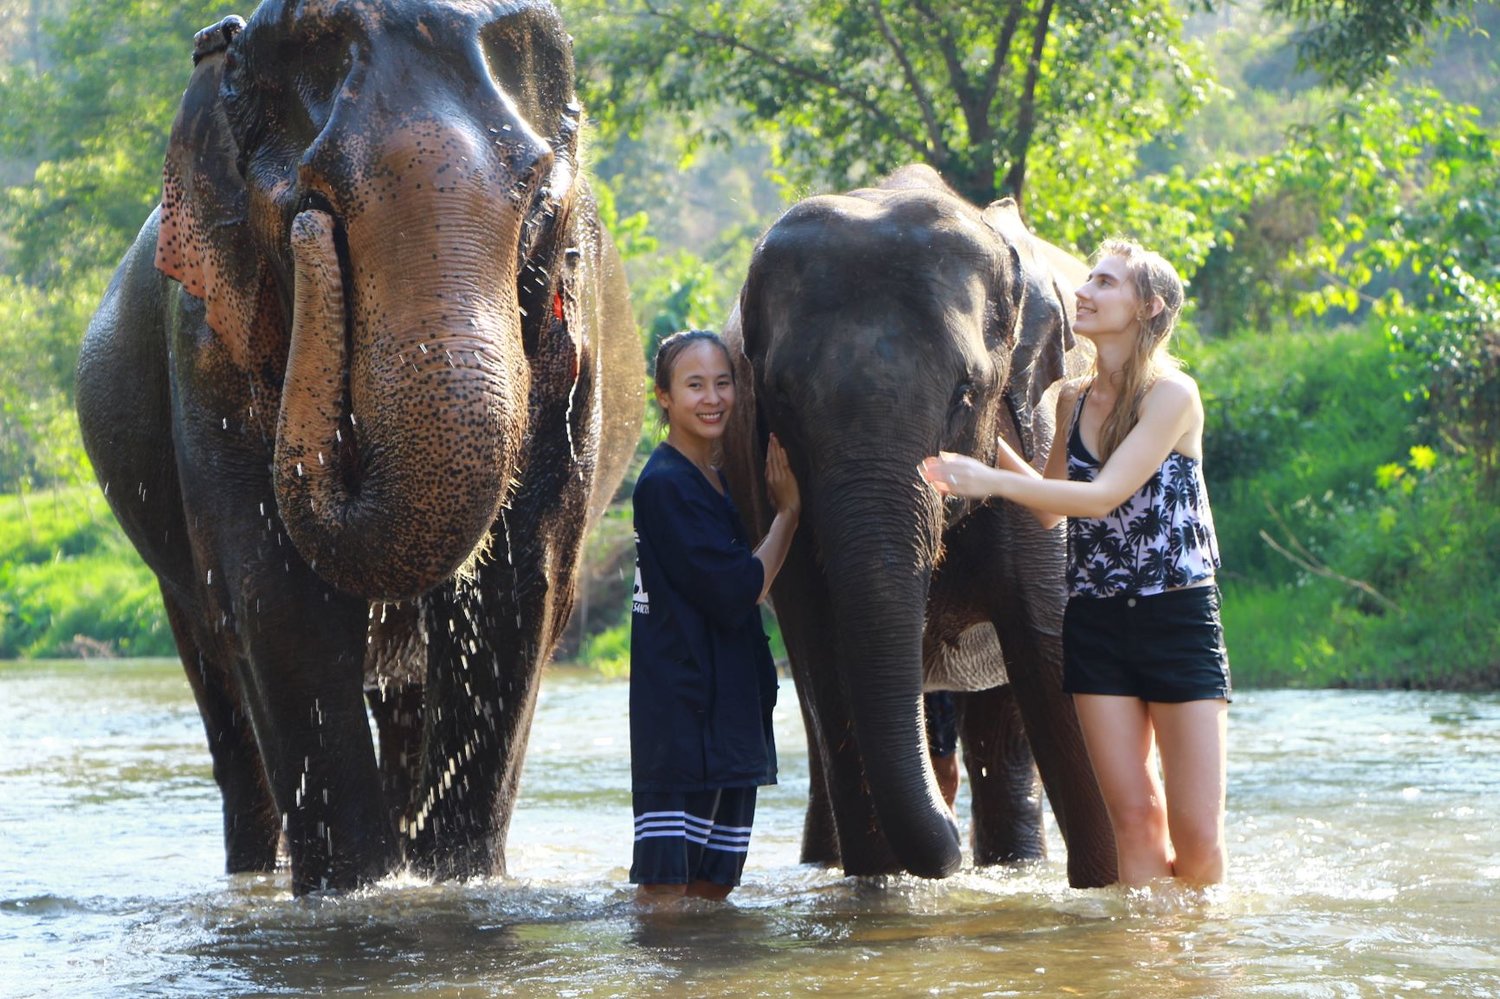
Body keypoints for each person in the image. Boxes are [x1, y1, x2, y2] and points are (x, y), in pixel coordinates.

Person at [921, 238, 1230, 887]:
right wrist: (989, 445)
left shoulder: (1172, 395)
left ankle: (1201, 966)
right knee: (1134, 819)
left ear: (1148, 306)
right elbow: (1051, 508)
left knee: (1196, 836)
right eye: (1088, 278)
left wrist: (991, 481)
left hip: (1177, 616)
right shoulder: (1073, 399)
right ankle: (1146, 968)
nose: (1084, 291)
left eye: (1106, 282)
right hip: (1094, 622)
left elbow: (1102, 496)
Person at [629, 329, 801, 903]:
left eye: (722, 383)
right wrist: (788, 517)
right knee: (665, 891)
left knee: (712, 890)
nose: (712, 398)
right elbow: (739, 590)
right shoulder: (665, 484)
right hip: (682, 718)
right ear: (664, 396)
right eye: (694, 385)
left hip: (726, 714)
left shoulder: (714, 479)